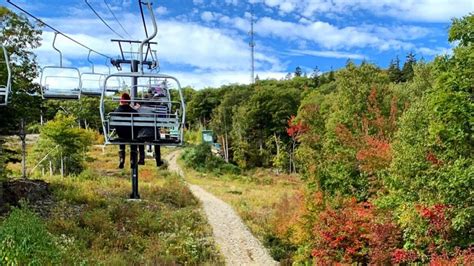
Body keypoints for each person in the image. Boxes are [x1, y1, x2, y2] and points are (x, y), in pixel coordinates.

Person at [114, 93, 146, 168]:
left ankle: (122, 159)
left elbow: (114, 125)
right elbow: (138, 124)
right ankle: (132, 161)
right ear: (128, 101)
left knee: (122, 139)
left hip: (121, 135)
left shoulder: (115, 112)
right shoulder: (134, 112)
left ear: (121, 101)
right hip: (132, 135)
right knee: (133, 139)